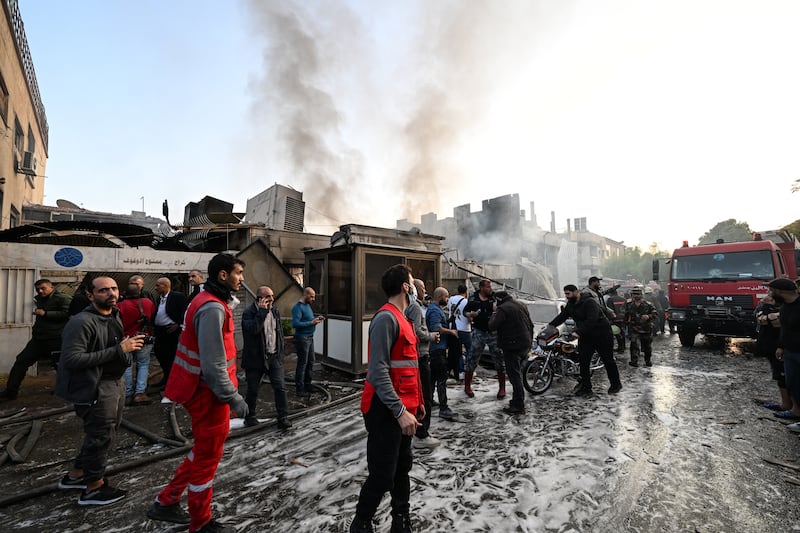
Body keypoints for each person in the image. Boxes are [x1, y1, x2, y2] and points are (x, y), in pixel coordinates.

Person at [147, 253, 248, 532]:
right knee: (207, 460)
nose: (242, 278)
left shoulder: (204, 301)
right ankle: (201, 522)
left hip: (200, 390)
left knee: (202, 450)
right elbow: (215, 365)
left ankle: (166, 501)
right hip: (208, 395)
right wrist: (234, 398)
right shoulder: (212, 308)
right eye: (238, 273)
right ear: (223, 276)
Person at [55, 276, 144, 505]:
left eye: (114, 289)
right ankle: (93, 488)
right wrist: (118, 349)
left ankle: (77, 475)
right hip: (96, 387)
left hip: (114, 383)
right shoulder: (81, 322)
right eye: (103, 290)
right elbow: (72, 359)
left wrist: (125, 345)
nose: (111, 293)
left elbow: (110, 347)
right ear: (90, 295)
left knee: (103, 433)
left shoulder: (114, 314)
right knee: (101, 437)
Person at [349, 264, 424, 533]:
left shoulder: (404, 319)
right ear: (406, 287)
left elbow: (409, 367)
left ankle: (400, 520)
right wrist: (400, 411)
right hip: (385, 410)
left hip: (404, 408)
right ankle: (362, 522)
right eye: (413, 282)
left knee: (402, 467)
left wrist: (419, 404)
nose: (415, 287)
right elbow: (377, 370)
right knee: (382, 474)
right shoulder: (386, 319)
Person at [0, 279, 72, 401]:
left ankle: (65, 391)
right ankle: (10, 392)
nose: (40, 291)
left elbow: (68, 314)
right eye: (38, 289)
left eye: (43, 288)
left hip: (55, 339)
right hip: (39, 339)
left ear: (51, 287)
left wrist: (46, 313)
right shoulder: (39, 298)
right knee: (21, 361)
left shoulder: (63, 298)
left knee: (61, 367)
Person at [548, 284, 622, 396]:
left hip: (602, 334)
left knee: (608, 360)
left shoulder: (589, 302)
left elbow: (592, 320)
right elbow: (562, 316)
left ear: (576, 292)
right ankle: (586, 387)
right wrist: (550, 326)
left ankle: (616, 384)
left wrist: (578, 332)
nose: (567, 296)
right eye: (565, 294)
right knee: (583, 362)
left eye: (568, 293)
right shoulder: (571, 304)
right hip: (586, 336)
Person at [241, 285, 292, 429]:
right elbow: (253, 330)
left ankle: (283, 417)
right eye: (269, 296)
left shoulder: (275, 310)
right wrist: (261, 313)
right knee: (252, 390)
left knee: (280, 388)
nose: (272, 299)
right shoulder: (248, 313)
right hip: (255, 359)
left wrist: (280, 352)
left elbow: (278, 332)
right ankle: (250, 417)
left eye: (272, 296)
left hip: (274, 356)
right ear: (260, 299)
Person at [406, 279, 440, 448]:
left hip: (421, 356)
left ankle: (421, 429)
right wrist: (431, 336)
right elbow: (416, 332)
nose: (425, 291)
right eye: (423, 288)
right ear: (416, 289)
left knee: (423, 395)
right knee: (424, 396)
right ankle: (421, 434)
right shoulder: (414, 307)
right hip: (420, 357)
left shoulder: (416, 306)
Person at [488, 291, 534, 415]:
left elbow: (492, 326)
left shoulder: (502, 309)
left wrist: (494, 311)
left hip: (512, 346)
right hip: (525, 344)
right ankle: (516, 400)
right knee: (517, 373)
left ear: (498, 300)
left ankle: (518, 405)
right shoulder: (521, 304)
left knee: (515, 376)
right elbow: (531, 324)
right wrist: (529, 341)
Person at [463, 279, 505, 400]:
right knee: (472, 358)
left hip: (493, 332)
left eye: (490, 287)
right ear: (481, 288)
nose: (490, 289)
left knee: (499, 358)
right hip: (478, 331)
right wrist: (470, 315)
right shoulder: (473, 298)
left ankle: (502, 388)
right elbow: (464, 311)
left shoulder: (494, 298)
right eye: (488, 287)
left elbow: (503, 309)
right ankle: (467, 387)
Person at [117, 283, 156, 405]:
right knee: (143, 364)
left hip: (126, 340)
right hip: (144, 339)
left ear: (125, 294)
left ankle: (127, 394)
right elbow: (152, 317)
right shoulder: (148, 302)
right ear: (139, 292)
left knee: (127, 366)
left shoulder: (119, 306)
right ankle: (140, 393)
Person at [755, 294, 793, 412]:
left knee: (786, 375)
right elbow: (762, 319)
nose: (767, 297)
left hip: (784, 345)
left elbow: (776, 322)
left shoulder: (790, 307)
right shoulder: (765, 307)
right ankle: (787, 404)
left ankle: (789, 405)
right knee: (779, 374)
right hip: (772, 345)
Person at [769, 278, 800, 421]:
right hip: (789, 351)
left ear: (779, 291)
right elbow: (784, 329)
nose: (770, 293)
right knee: (792, 383)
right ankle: (796, 411)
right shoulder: (786, 307)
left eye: (772, 291)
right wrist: (781, 346)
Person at [425, 287, 458, 421]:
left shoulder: (435, 309)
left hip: (435, 350)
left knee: (432, 378)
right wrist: (451, 332)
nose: (448, 299)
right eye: (446, 296)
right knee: (441, 379)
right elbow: (436, 328)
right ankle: (444, 408)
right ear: (439, 297)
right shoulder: (434, 310)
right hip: (438, 350)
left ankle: (430, 401)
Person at [152, 277, 188, 386]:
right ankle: (166, 377)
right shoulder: (159, 298)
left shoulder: (177, 297)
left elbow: (185, 312)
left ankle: (172, 381)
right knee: (159, 353)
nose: (155, 288)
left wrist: (178, 325)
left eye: (158, 285)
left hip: (171, 332)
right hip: (160, 331)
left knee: (170, 356)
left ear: (165, 286)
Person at [291, 287, 323, 398]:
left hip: (310, 337)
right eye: (312, 296)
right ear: (305, 295)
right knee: (302, 364)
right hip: (302, 338)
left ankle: (308, 385)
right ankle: (300, 389)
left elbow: (308, 319)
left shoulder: (307, 306)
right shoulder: (297, 307)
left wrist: (316, 318)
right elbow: (295, 324)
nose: (313, 299)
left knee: (310, 362)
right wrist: (311, 323)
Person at [624, 286, 657, 367]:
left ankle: (648, 361)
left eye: (638, 294)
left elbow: (655, 314)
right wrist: (624, 325)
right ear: (632, 295)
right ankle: (634, 361)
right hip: (634, 328)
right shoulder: (628, 304)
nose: (636, 296)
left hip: (646, 329)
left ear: (641, 295)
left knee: (647, 347)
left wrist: (648, 316)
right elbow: (623, 314)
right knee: (634, 345)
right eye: (634, 294)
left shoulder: (648, 304)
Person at [448, 284, 471, 380]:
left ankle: (460, 371)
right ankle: (469, 370)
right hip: (465, 328)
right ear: (466, 292)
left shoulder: (451, 299)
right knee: (469, 350)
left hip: (453, 328)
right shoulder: (466, 301)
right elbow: (469, 316)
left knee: (457, 351)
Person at [605, 287, 627, 354]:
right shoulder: (623, 299)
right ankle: (623, 346)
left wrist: (610, 320)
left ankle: (621, 349)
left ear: (611, 293)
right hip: (623, 319)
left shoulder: (610, 299)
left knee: (617, 334)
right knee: (622, 333)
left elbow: (610, 311)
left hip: (615, 319)